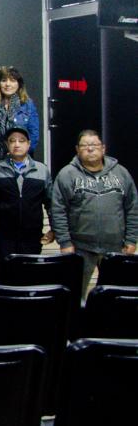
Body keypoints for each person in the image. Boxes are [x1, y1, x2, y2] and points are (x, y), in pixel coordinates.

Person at [51, 129, 138, 302]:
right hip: (79, 246)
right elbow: (58, 210)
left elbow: (132, 208)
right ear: (77, 150)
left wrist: (131, 239)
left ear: (103, 148)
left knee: (114, 296)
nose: (90, 149)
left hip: (115, 246)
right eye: (85, 145)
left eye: (94, 145)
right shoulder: (67, 174)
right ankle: (77, 328)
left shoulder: (121, 173)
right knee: (75, 295)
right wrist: (65, 242)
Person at [0, 127, 54, 265]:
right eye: (12, 141)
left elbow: (51, 202)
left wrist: (54, 229)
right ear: (7, 144)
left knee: (29, 276)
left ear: (28, 144)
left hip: (32, 235)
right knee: (4, 275)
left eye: (21, 141)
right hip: (3, 235)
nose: (16, 144)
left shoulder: (42, 170)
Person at [0, 66, 39, 163]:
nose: (8, 84)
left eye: (12, 80)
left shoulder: (28, 104)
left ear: (19, 84)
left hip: (20, 159)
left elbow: (34, 133)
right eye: (4, 80)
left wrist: (23, 153)